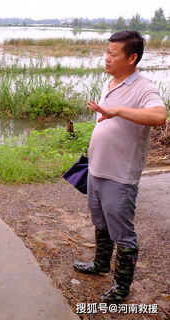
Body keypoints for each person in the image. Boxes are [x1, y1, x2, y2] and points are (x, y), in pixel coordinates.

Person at [73, 30, 167, 304]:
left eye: (113, 54)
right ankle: (101, 265)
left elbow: (159, 116)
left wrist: (118, 111)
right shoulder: (111, 82)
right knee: (101, 223)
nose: (106, 58)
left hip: (120, 176)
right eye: (106, 52)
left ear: (132, 57)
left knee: (123, 234)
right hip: (97, 170)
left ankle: (121, 287)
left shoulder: (143, 87)